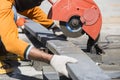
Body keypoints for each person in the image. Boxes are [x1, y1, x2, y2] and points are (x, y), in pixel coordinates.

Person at [0, 0, 78, 77]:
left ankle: (2, 53)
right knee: (8, 26)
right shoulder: (3, 5)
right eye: (36, 1)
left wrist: (53, 26)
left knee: (12, 14)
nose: (38, 4)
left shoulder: (10, 2)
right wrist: (51, 59)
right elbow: (10, 42)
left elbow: (32, 11)